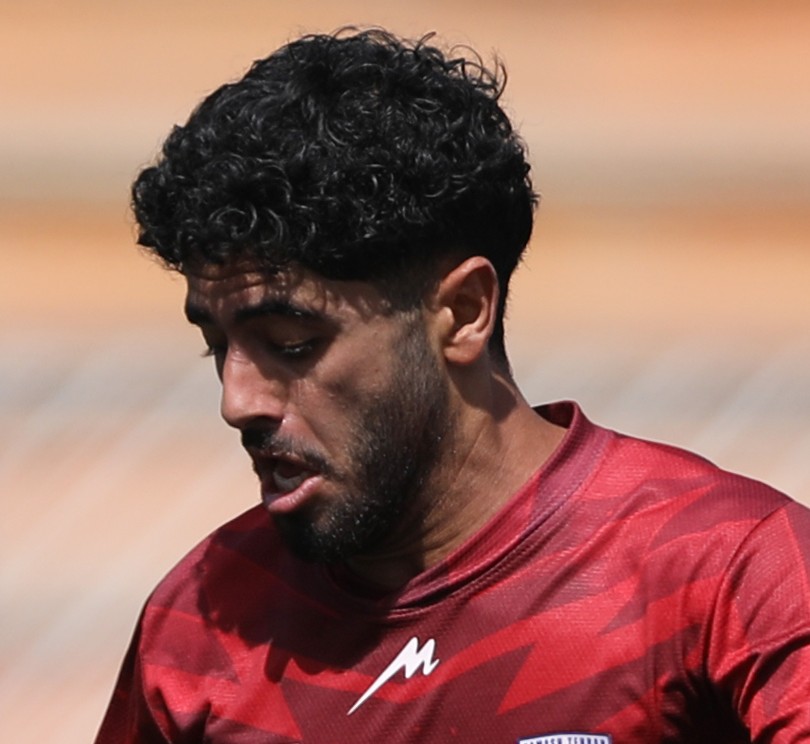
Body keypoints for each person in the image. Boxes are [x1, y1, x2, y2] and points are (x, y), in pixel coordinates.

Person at [95, 27, 810, 743]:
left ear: (463, 312)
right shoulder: (199, 621)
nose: (237, 401)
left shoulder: (734, 570)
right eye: (217, 345)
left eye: (292, 345)